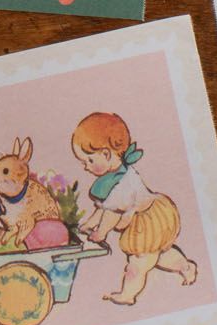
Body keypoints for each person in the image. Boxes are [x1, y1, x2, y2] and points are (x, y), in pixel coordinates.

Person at [71, 111, 200, 306]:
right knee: (157, 254)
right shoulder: (113, 177)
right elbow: (103, 208)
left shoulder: (122, 182)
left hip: (145, 221)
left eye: (89, 160)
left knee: (137, 264)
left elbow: (112, 213)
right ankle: (185, 266)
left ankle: (128, 294)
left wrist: (101, 233)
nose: (85, 167)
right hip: (147, 216)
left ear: (106, 154)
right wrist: (88, 224)